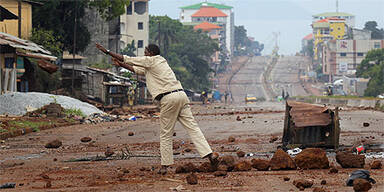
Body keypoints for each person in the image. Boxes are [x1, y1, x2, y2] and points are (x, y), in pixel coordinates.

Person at [95, 43, 218, 175]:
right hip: (181, 95)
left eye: (146, 51)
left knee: (165, 134)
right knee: (193, 128)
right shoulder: (160, 63)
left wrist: (107, 51)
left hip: (169, 98)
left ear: (151, 53)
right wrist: (121, 65)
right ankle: (210, 155)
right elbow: (137, 70)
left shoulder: (151, 60)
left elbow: (128, 58)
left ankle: (165, 166)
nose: (144, 54)